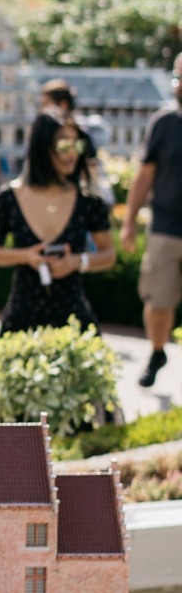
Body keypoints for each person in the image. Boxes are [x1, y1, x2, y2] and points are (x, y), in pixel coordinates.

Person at [0, 111, 115, 335]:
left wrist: (77, 262)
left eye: (77, 146)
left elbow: (108, 255)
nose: (72, 154)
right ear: (43, 148)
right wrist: (25, 256)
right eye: (63, 146)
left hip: (74, 322)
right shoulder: (7, 198)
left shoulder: (89, 200)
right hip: (22, 319)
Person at [121, 50, 182, 387]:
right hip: (166, 227)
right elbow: (144, 176)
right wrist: (129, 220)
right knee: (158, 302)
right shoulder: (164, 122)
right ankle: (157, 351)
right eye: (178, 74)